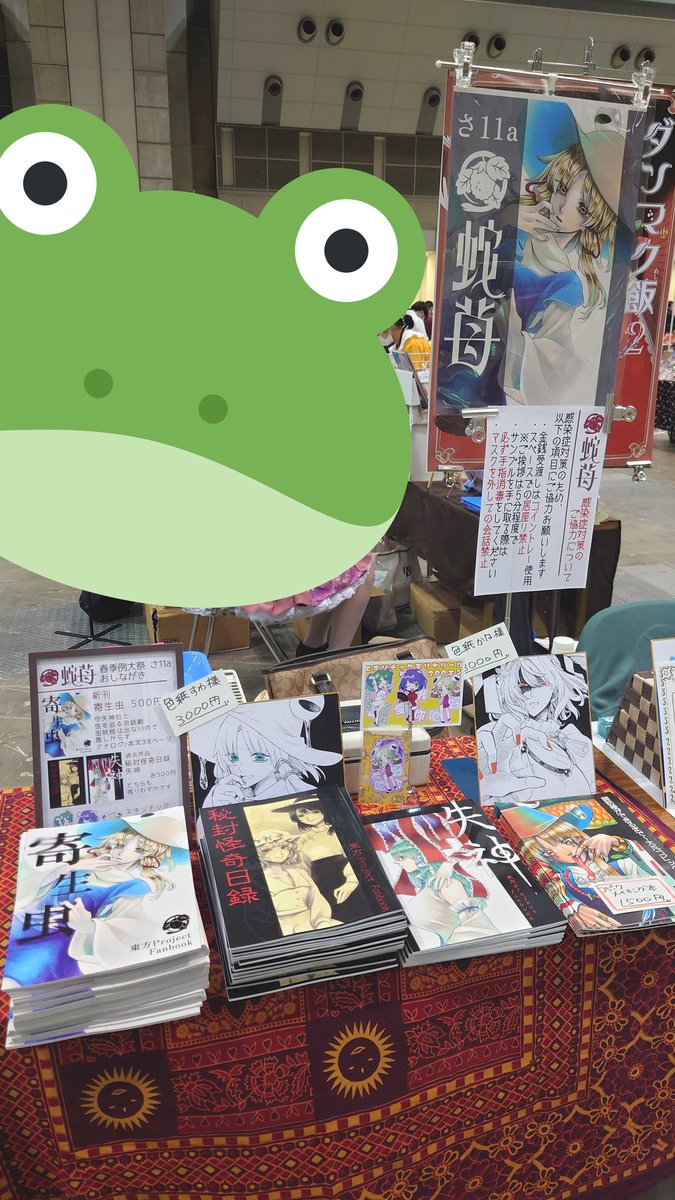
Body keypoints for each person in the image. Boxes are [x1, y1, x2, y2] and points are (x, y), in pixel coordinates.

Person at [499, 124, 621, 406]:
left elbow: (555, 358)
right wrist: (503, 219)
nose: (562, 207)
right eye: (562, 189)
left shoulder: (568, 283)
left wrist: (514, 333)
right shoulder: (515, 227)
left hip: (506, 377)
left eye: (582, 208)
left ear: (592, 220)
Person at [4, 812, 186, 986]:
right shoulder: (84, 861)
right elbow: (28, 888)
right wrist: (66, 868)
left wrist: (90, 926)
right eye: (120, 844)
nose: (120, 852)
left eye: (138, 849)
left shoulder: (131, 886)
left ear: (148, 856)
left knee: (28, 973)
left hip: (58, 943)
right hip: (23, 923)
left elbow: (133, 926)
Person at [507, 802, 675, 932]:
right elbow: (554, 894)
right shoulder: (565, 879)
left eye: (566, 841)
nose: (565, 852)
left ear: (578, 836)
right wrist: (575, 908)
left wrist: (617, 842)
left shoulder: (619, 863)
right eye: (549, 852)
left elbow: (658, 871)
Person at [477, 656, 595, 805]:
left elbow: (591, 795)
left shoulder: (575, 738)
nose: (530, 694)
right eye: (522, 687)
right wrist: (483, 790)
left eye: (539, 684)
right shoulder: (502, 734)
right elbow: (490, 796)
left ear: (555, 685)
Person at [196, 697, 343, 808]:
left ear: (281, 755)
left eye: (259, 757)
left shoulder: (301, 795)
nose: (242, 767)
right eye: (233, 757)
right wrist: (212, 804)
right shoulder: (224, 793)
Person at [272, 799, 369, 922]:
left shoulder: (339, 831)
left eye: (314, 812)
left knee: (359, 911)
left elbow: (356, 856)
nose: (308, 818)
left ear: (323, 810)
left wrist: (351, 881)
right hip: (321, 885)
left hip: (345, 878)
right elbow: (303, 868)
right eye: (301, 815)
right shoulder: (301, 841)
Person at [256, 829, 339, 934]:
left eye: (283, 847)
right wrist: (291, 929)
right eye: (269, 850)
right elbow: (262, 916)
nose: (280, 853)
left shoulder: (300, 873)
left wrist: (322, 922)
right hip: (286, 929)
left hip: (313, 922)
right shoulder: (260, 881)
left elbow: (317, 900)